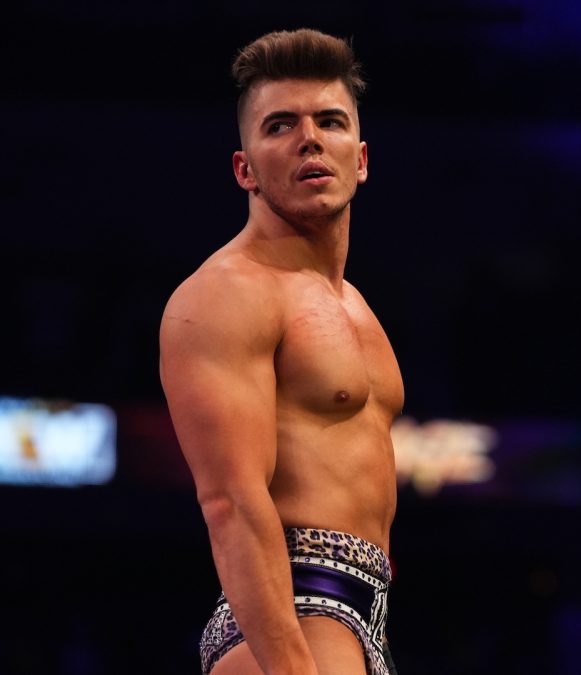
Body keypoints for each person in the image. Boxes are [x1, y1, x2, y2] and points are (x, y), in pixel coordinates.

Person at [159, 29, 403, 675]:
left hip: (360, 613)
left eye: (330, 121)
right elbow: (230, 501)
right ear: (245, 169)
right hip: (290, 615)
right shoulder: (224, 293)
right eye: (280, 125)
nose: (309, 139)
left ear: (361, 158)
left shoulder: (353, 304)